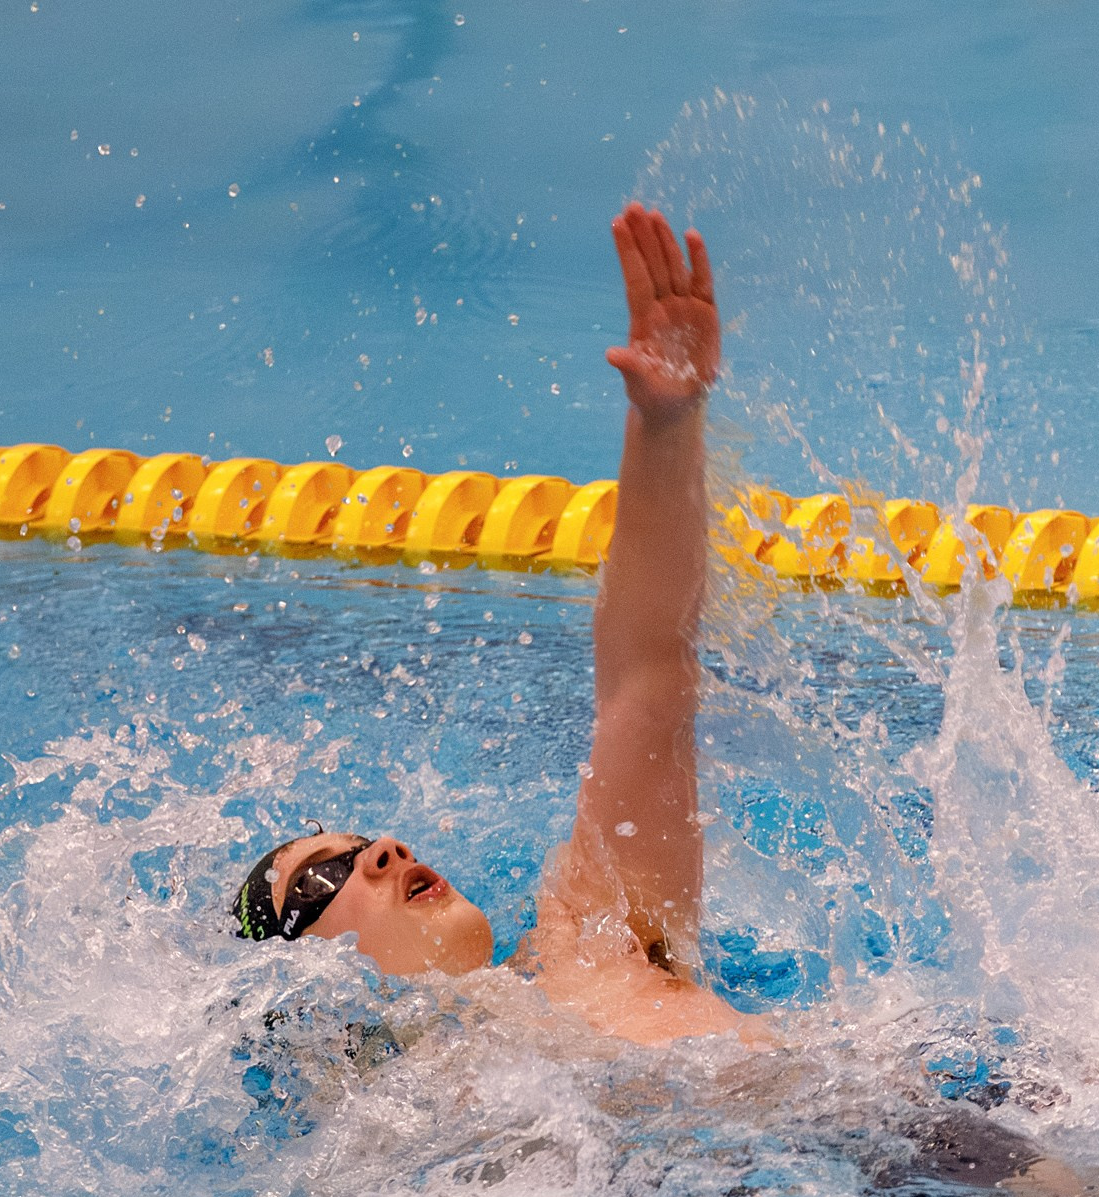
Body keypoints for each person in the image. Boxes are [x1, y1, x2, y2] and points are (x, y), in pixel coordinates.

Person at [231, 202, 752, 1047]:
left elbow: (648, 677)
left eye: (361, 842)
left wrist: (665, 422)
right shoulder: (394, 1134)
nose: (385, 850)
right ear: (302, 980)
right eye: (322, 876)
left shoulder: (592, 935)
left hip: (942, 1138)